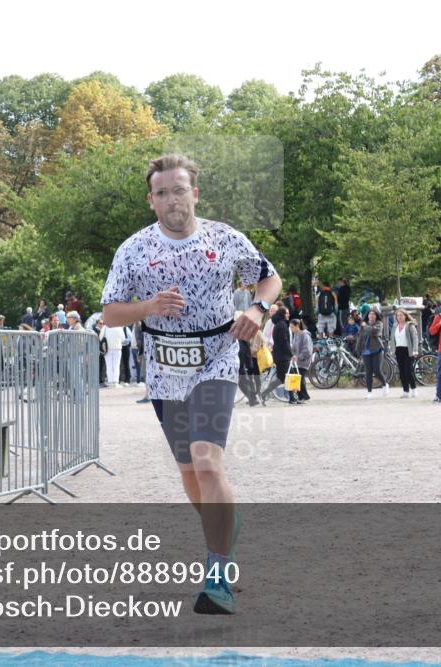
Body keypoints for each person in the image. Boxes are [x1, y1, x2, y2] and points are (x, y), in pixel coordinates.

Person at [100, 153, 281, 615]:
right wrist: (149, 307)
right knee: (187, 470)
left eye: (179, 190)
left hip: (216, 357)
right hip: (163, 366)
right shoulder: (133, 249)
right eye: (162, 192)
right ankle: (225, 534)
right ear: (151, 201)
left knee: (206, 460)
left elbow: (269, 279)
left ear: (194, 194)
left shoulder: (225, 239)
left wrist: (256, 311)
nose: (172, 199)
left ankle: (218, 571)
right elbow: (110, 312)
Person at [260, 306, 292, 404]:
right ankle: (292, 398)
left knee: (282, 378)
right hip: (283, 356)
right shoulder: (282, 325)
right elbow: (284, 342)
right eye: (286, 313)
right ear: (283, 314)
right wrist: (291, 353)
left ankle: (265, 393)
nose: (288, 315)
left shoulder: (279, 324)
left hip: (280, 355)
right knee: (285, 377)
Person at [354, 309, 388, 399]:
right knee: (368, 372)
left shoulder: (379, 324)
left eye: (373, 314)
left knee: (377, 371)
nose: (372, 315)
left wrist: (365, 325)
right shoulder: (363, 324)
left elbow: (373, 332)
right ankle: (369, 392)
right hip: (366, 350)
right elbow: (360, 336)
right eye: (370, 314)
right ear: (367, 316)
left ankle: (384, 384)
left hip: (377, 349)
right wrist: (358, 349)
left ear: (376, 316)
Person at [389, 308, 418, 398]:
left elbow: (415, 338)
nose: (400, 317)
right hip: (398, 350)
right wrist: (391, 348)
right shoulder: (394, 326)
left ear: (405, 316)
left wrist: (415, 350)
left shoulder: (410, 326)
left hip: (408, 350)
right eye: (398, 316)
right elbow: (392, 339)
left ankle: (413, 388)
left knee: (408, 370)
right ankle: (405, 391)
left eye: (401, 315)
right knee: (402, 372)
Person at [289, 318, 313, 404]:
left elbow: (308, 350)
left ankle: (304, 396)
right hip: (297, 361)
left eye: (292, 327)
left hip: (304, 361)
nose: (291, 329)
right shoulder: (296, 335)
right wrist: (292, 354)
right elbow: (294, 348)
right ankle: (302, 396)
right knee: (297, 378)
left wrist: (298, 357)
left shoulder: (305, 335)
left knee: (300, 378)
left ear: (297, 326)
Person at [100, 321, 125, 387]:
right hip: (117, 348)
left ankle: (110, 381)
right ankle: (115, 382)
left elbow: (100, 338)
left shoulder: (105, 327)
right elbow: (123, 339)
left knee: (109, 365)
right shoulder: (119, 327)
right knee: (116, 365)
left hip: (107, 348)